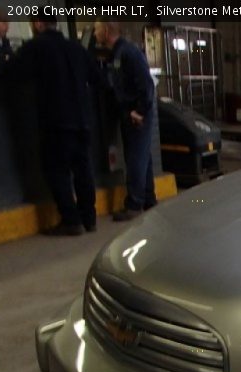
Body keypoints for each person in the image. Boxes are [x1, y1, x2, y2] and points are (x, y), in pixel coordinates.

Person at [5, 11, 98, 235]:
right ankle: (89, 219)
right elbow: (98, 79)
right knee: (83, 172)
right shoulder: (77, 48)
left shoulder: (36, 47)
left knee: (58, 172)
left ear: (37, 24)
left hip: (56, 122)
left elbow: (11, 73)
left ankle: (71, 220)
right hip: (82, 122)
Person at [94, 19, 157, 221]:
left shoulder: (128, 52)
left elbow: (147, 85)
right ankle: (148, 198)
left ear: (105, 30)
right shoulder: (117, 54)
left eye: (96, 29)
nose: (94, 34)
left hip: (137, 114)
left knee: (136, 158)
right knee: (142, 157)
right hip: (129, 113)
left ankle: (134, 203)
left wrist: (140, 111)